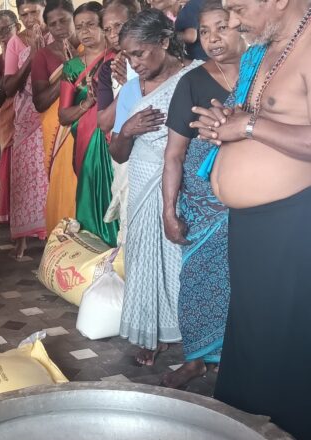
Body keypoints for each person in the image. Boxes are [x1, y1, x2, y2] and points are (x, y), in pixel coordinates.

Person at [188, 0, 311, 434]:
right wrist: (230, 120)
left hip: (295, 227)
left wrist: (249, 129)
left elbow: (262, 127)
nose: (234, 21)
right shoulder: (267, 49)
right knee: (254, 339)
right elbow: (266, 117)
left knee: (291, 346)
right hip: (253, 227)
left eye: (238, 8)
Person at [108, 9, 200, 366]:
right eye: (128, 55)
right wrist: (127, 129)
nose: (134, 63)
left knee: (181, 261)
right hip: (144, 182)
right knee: (145, 260)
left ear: (164, 42)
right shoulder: (133, 88)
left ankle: (192, 339)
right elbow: (117, 154)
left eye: (140, 53)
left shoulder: (194, 76)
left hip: (186, 180)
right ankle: (152, 333)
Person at [160, 0, 243, 389]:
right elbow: (174, 154)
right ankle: (195, 358)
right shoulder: (191, 81)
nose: (213, 38)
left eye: (221, 27)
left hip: (251, 203)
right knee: (196, 279)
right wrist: (169, 211)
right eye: (205, 31)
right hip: (203, 207)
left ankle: (242, 355)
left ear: (240, 25)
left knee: (248, 281)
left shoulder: (261, 73)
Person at [58, 2, 119, 246]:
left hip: (115, 139)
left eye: (91, 25)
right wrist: (87, 104)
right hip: (84, 139)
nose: (85, 31)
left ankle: (120, 251)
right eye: (80, 27)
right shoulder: (71, 67)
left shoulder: (119, 59)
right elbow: (63, 116)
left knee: (117, 193)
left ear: (103, 27)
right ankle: (95, 253)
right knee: (91, 193)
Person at [2, 0, 50, 258]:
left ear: (43, 7)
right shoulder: (15, 43)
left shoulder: (57, 32)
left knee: (50, 175)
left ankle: (54, 233)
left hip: (52, 115)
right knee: (25, 177)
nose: (30, 18)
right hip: (26, 118)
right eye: (24, 14)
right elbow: (9, 88)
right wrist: (31, 58)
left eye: (34, 12)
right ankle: (22, 237)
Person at [31, 0, 80, 234]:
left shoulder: (91, 48)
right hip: (59, 130)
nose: (59, 27)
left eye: (64, 21)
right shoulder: (43, 56)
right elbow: (39, 102)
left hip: (89, 127)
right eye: (53, 24)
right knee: (64, 186)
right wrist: (68, 70)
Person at [96, 0, 140, 246]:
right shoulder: (107, 70)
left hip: (159, 154)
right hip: (125, 151)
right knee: (129, 219)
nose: (113, 35)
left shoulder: (159, 59)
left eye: (119, 26)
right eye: (107, 29)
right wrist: (126, 87)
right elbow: (104, 122)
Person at [0, 9, 21, 225]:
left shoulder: (28, 51)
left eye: (6, 29)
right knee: (8, 167)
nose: (1, 35)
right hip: (10, 118)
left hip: (34, 118)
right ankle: (6, 210)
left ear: (17, 26)